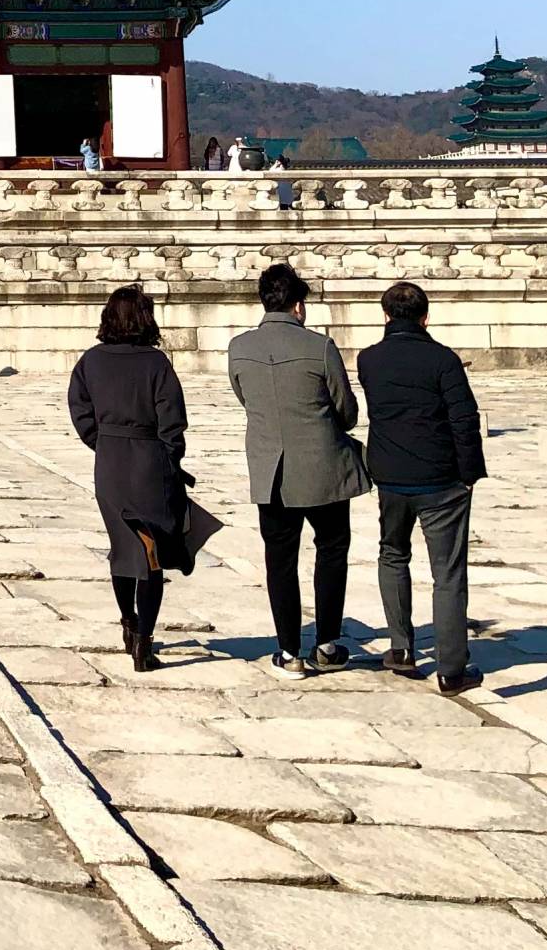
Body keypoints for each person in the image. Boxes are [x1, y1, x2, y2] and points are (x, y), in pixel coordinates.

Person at [68, 287, 222, 671]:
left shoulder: (90, 362)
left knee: (123, 547)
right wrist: (169, 457)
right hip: (150, 462)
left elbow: (81, 413)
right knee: (149, 551)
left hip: (111, 464)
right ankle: (144, 641)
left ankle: (129, 622)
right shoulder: (156, 364)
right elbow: (173, 420)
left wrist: (103, 444)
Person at [228, 262, 368, 675]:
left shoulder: (239, 347)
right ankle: (326, 641)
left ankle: (289, 650)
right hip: (323, 468)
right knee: (331, 551)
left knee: (280, 560)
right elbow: (346, 410)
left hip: (271, 470)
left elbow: (243, 396)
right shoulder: (320, 347)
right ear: (299, 305)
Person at [358, 281, 487, 693]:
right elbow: (464, 419)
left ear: (385, 316)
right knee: (447, 573)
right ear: (426, 317)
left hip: (391, 477)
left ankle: (402, 647)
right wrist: (469, 475)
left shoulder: (369, 360)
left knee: (392, 554)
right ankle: (451, 669)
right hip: (440, 480)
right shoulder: (443, 360)